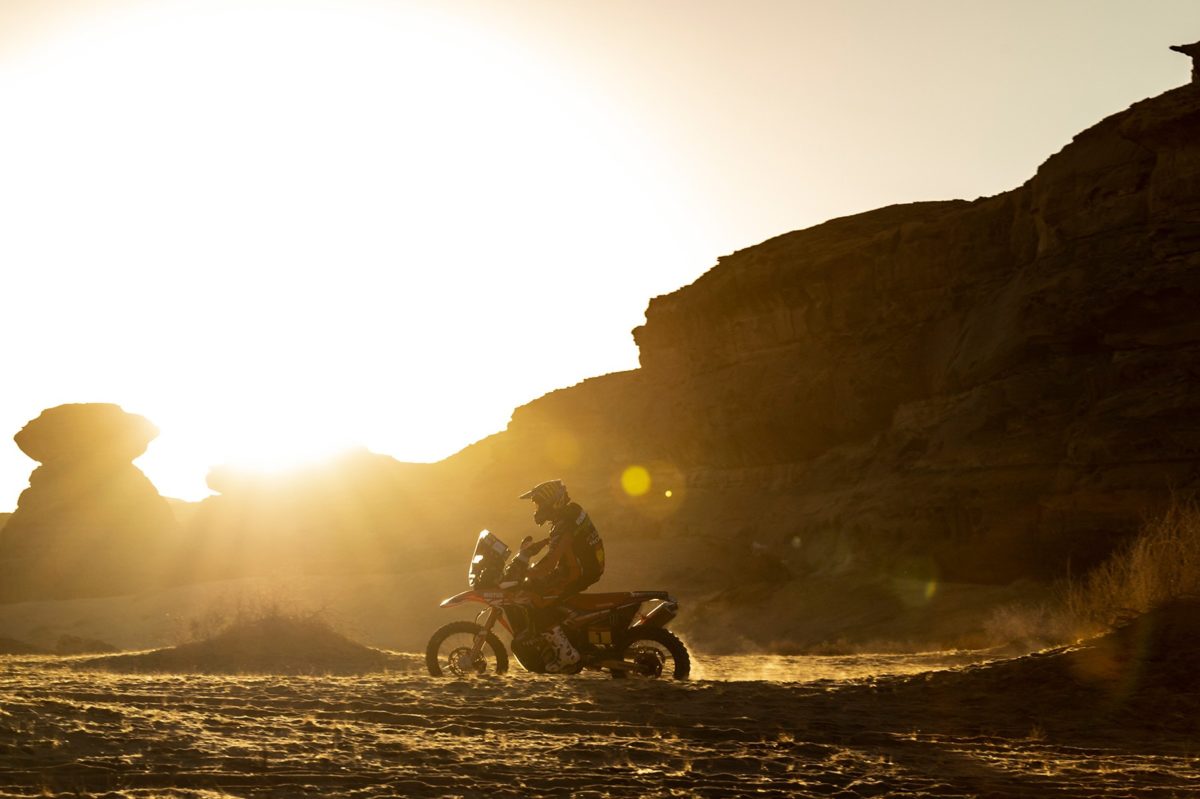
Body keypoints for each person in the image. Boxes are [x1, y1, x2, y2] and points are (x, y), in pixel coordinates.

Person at [513, 479, 605, 672]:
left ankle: (567, 656)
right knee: (540, 591)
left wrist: (529, 572)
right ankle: (565, 637)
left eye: (539, 503)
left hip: (577, 572)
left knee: (539, 600)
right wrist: (535, 548)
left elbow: (552, 560)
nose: (537, 508)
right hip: (584, 566)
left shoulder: (565, 524)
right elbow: (559, 543)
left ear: (553, 502)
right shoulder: (570, 513)